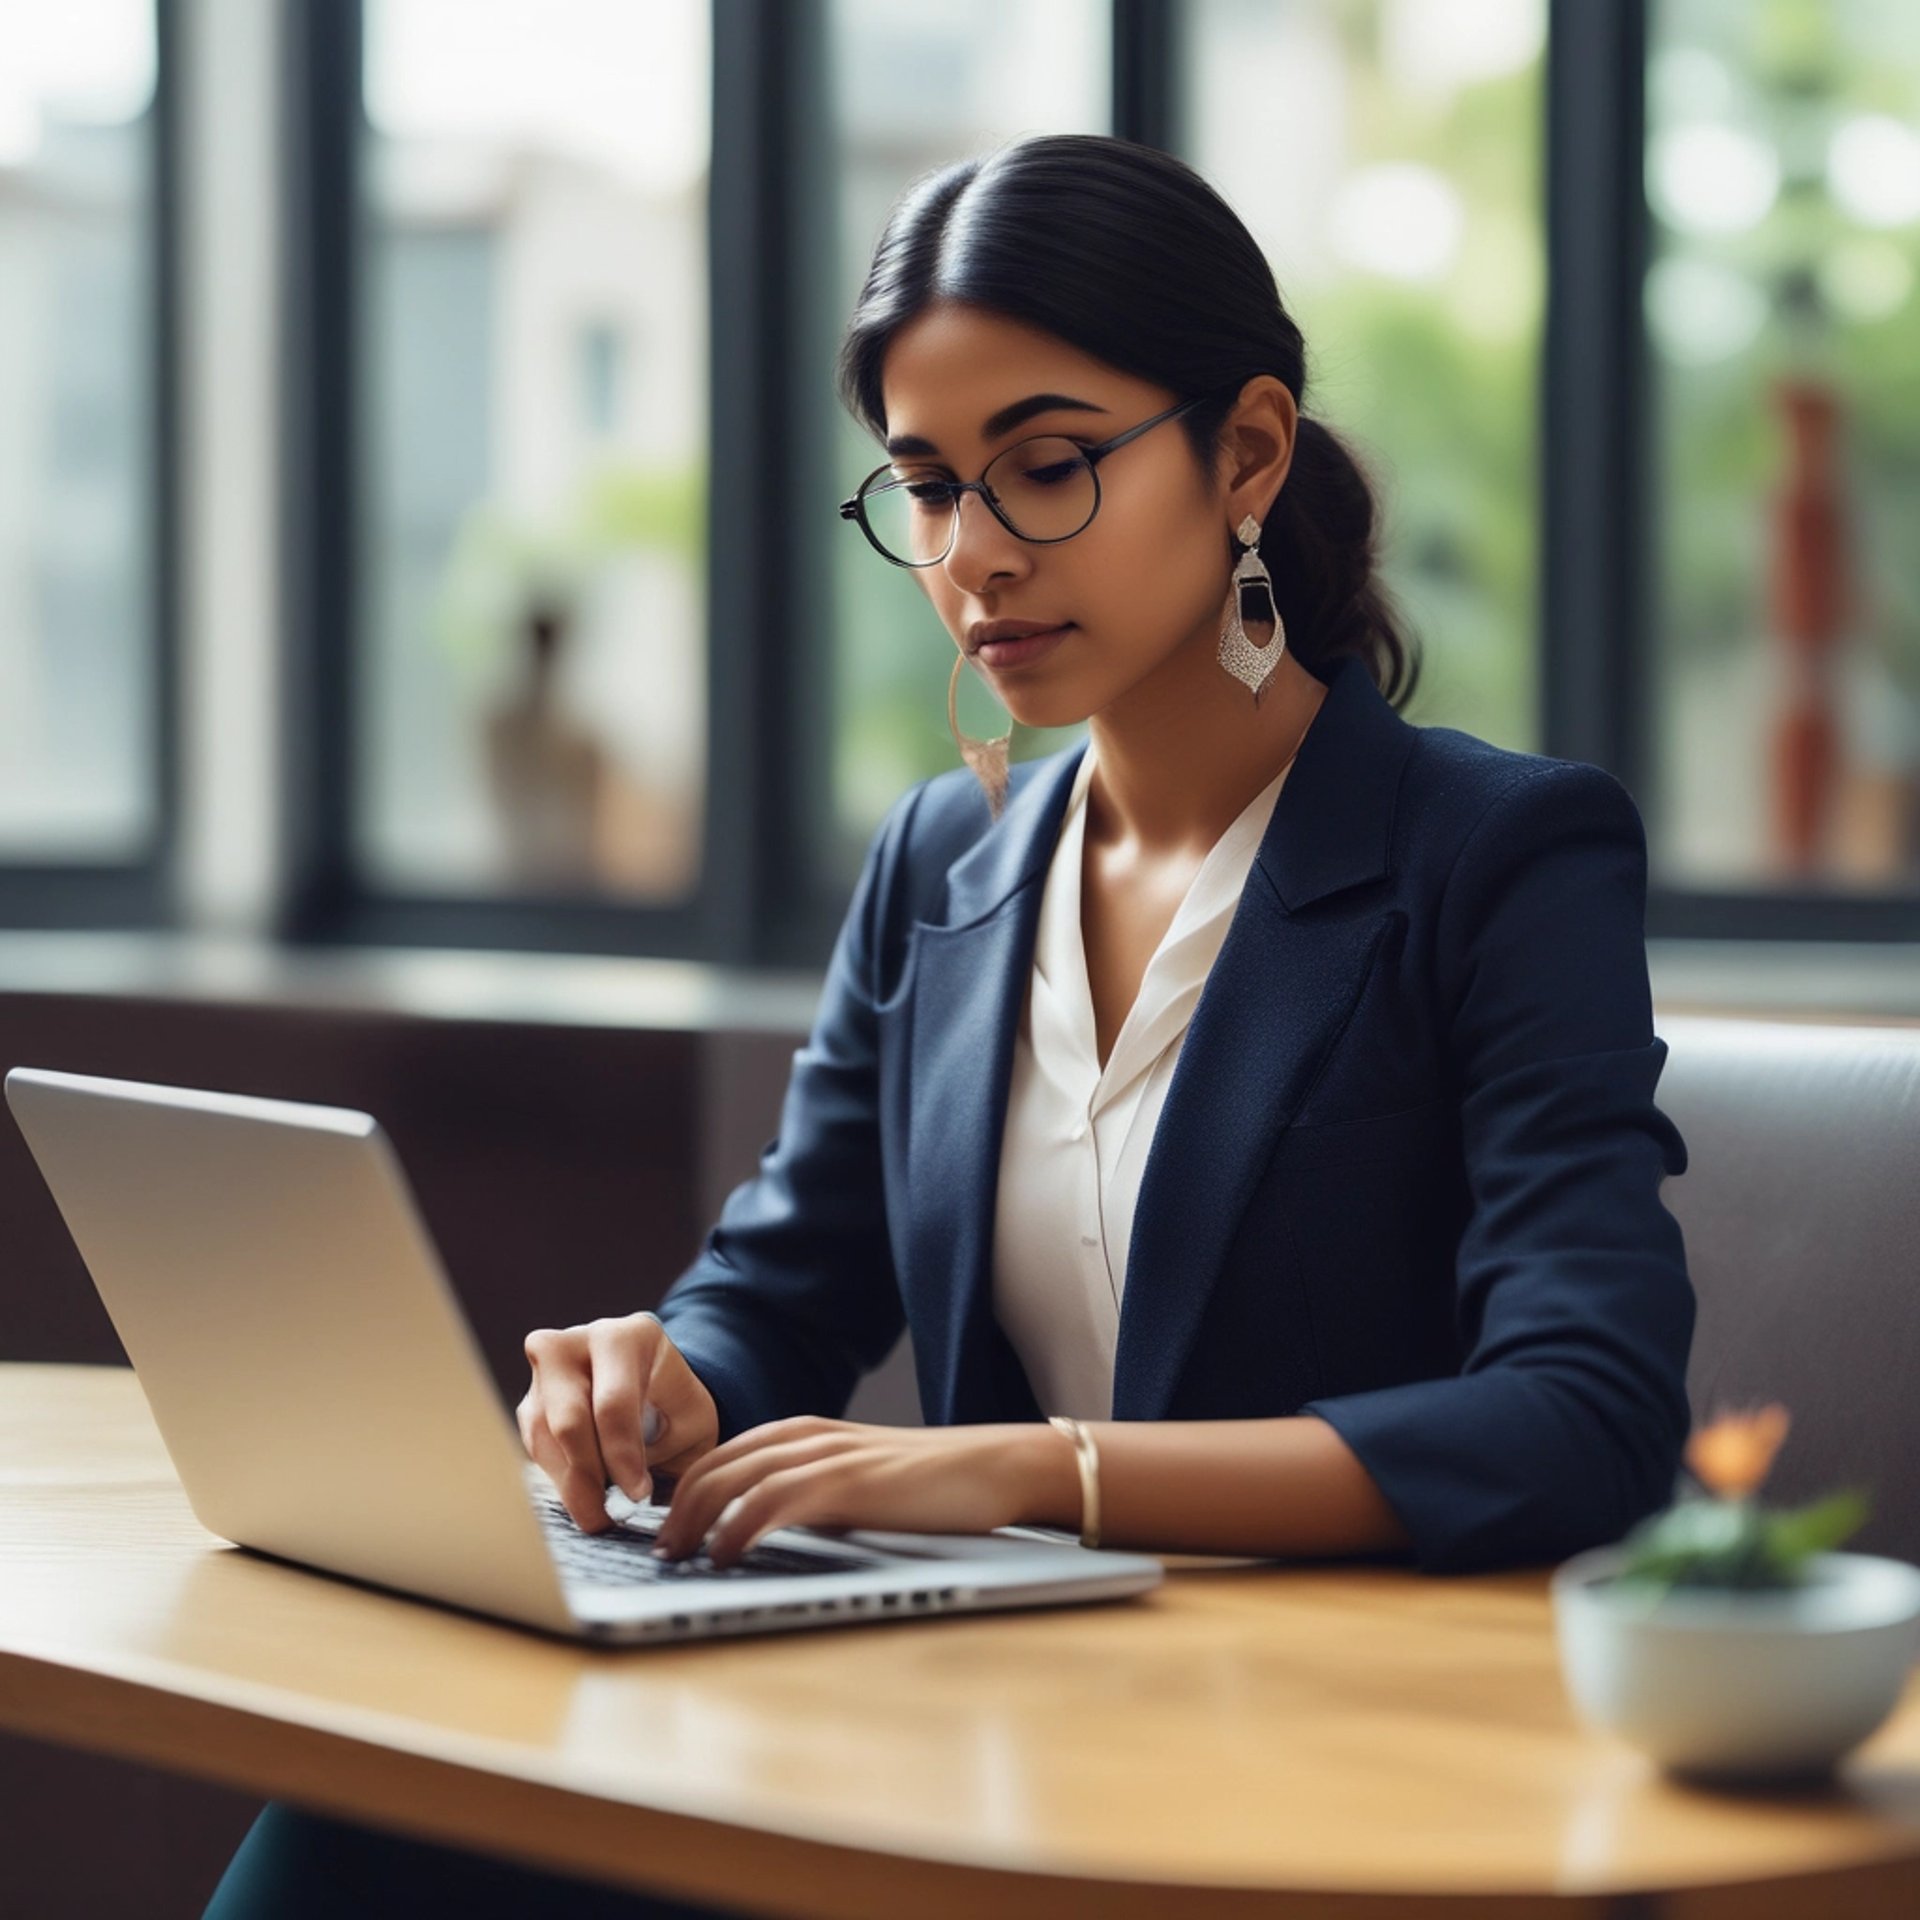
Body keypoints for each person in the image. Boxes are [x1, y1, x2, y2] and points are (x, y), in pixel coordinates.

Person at [205, 131, 1693, 1916]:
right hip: (983, 1741)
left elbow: (1585, 1415)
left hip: (1330, 1779)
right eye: (925, 486)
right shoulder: (948, 854)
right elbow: (786, 1288)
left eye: (1046, 468)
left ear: (1248, 455)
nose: (975, 554)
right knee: (370, 1813)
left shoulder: (1494, 855)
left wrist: (1040, 1474)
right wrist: (660, 1386)